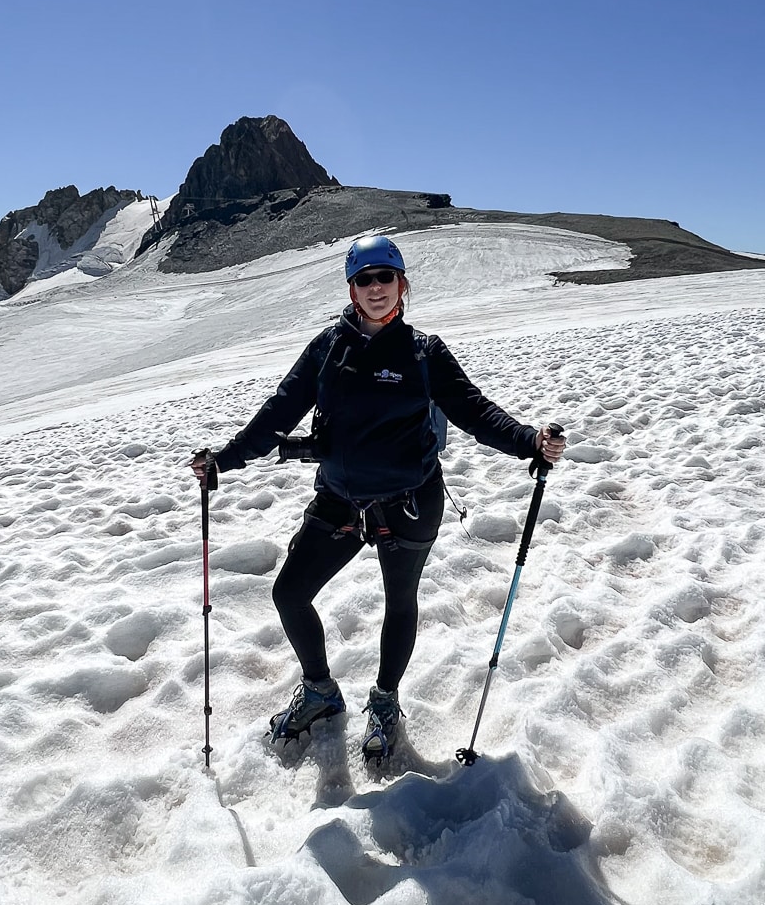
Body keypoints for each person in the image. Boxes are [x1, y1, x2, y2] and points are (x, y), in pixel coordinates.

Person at [190, 232, 565, 763]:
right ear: (351, 289)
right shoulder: (327, 348)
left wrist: (530, 440)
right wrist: (225, 459)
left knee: (399, 603)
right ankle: (320, 690)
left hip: (408, 501)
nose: (375, 288)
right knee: (290, 593)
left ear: (402, 284)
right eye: (363, 280)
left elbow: (474, 411)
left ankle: (385, 700)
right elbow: (279, 413)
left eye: (385, 277)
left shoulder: (424, 352)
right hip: (339, 498)